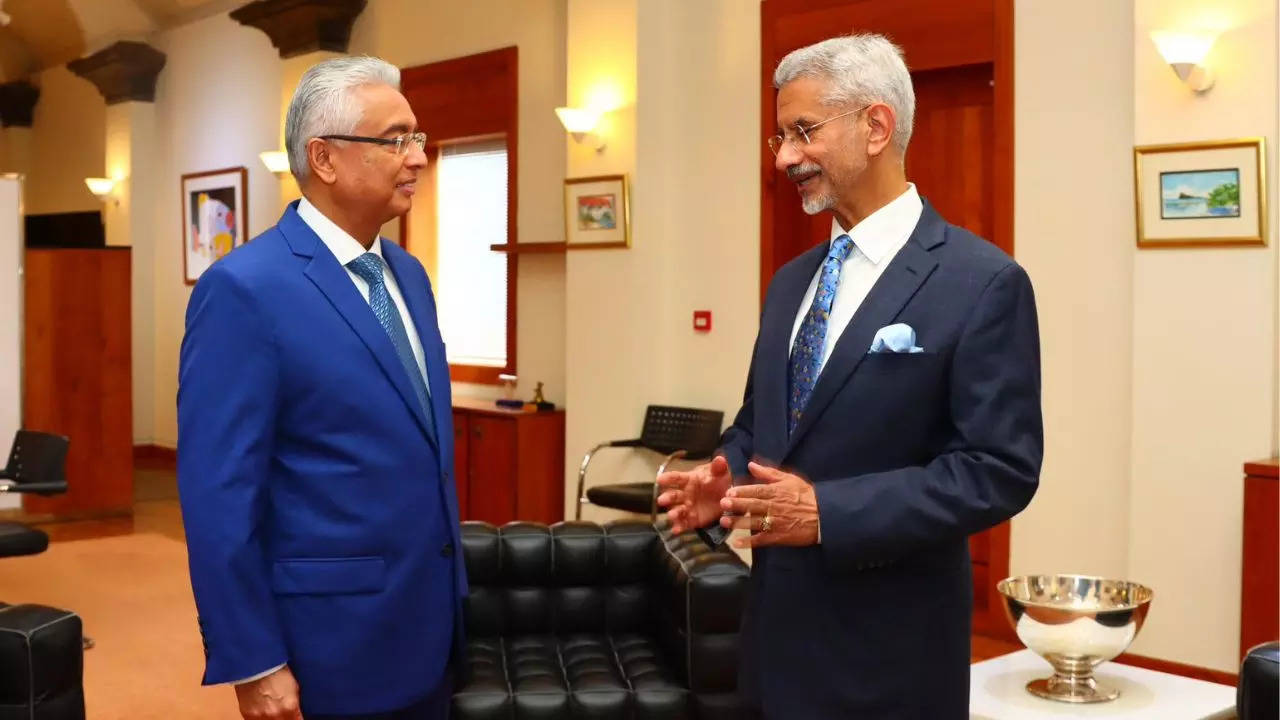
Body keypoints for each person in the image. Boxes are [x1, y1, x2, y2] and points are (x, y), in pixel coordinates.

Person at [657, 34, 1043, 718]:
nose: (784, 157)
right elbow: (764, 422)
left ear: (876, 126)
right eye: (780, 136)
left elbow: (997, 470)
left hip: (889, 658)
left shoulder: (982, 284)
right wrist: (728, 474)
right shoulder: (790, 283)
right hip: (774, 647)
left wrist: (829, 514)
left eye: (803, 131)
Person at [177, 56, 463, 720]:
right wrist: (254, 658)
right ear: (324, 159)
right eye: (395, 140)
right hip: (325, 646)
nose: (418, 157)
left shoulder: (408, 276)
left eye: (418, 137)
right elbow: (219, 496)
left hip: (429, 629)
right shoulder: (245, 290)